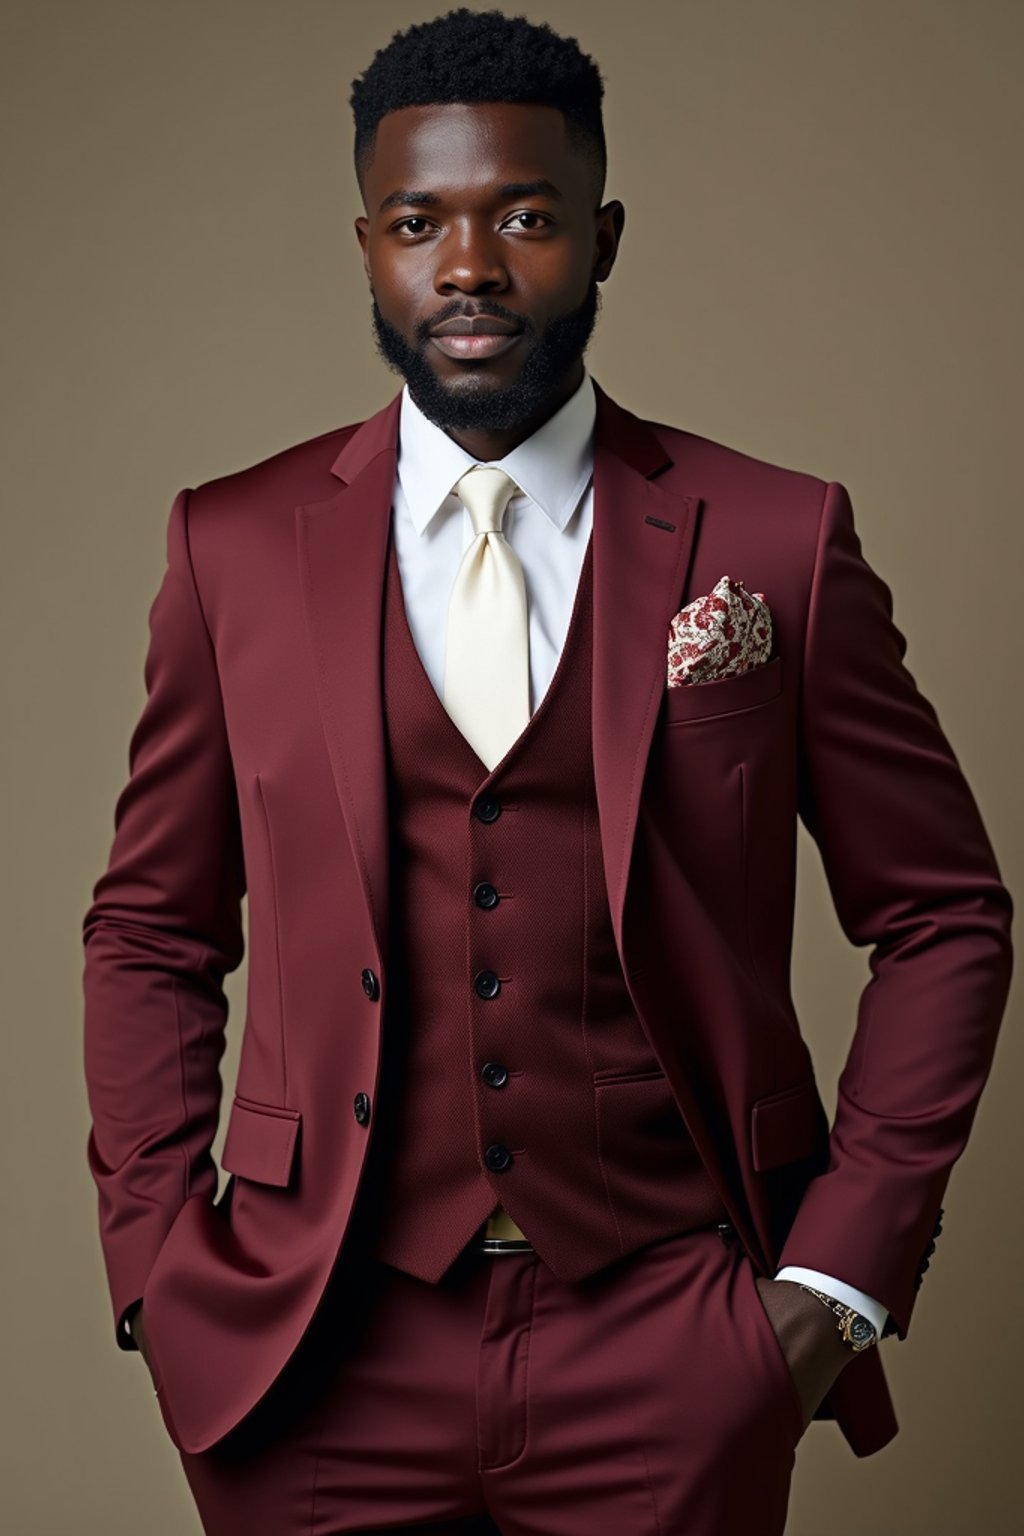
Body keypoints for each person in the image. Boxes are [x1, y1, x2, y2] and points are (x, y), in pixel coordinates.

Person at [81, 9, 1013, 1534]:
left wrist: (831, 1288)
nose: (467, 267)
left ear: (603, 235)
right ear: (368, 246)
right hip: (316, 1349)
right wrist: (159, 1271)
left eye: (521, 216)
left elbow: (945, 917)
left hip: (670, 1338)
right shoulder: (232, 546)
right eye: (416, 223)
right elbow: (151, 932)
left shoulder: (774, 538)